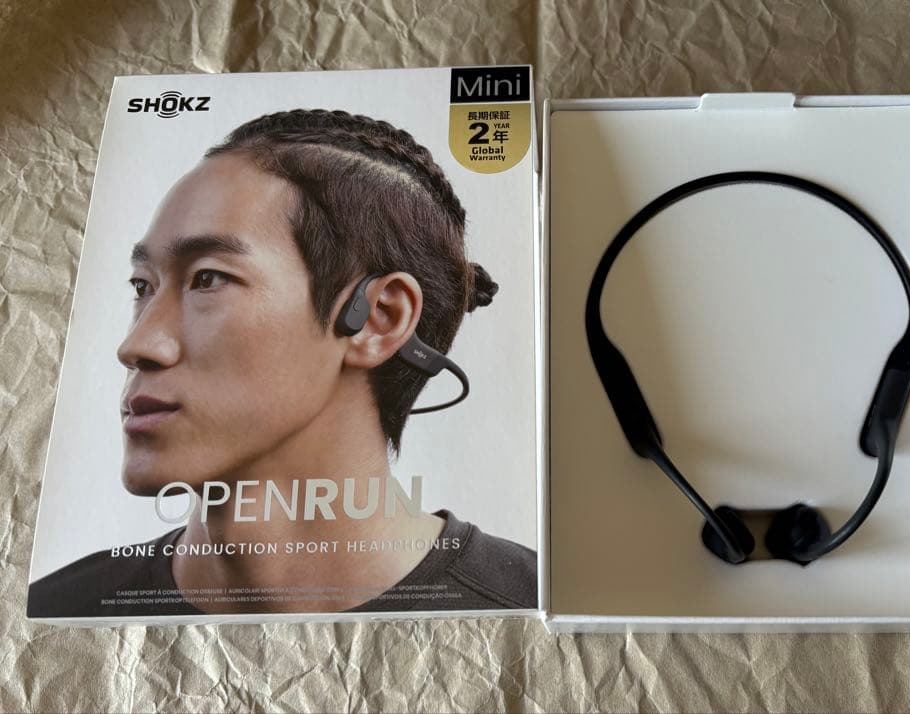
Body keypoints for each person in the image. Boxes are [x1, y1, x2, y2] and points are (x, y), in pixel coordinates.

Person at [28, 110, 537, 617]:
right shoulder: (59, 611)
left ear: (377, 320)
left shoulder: (530, 606)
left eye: (208, 278)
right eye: (143, 286)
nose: (137, 345)